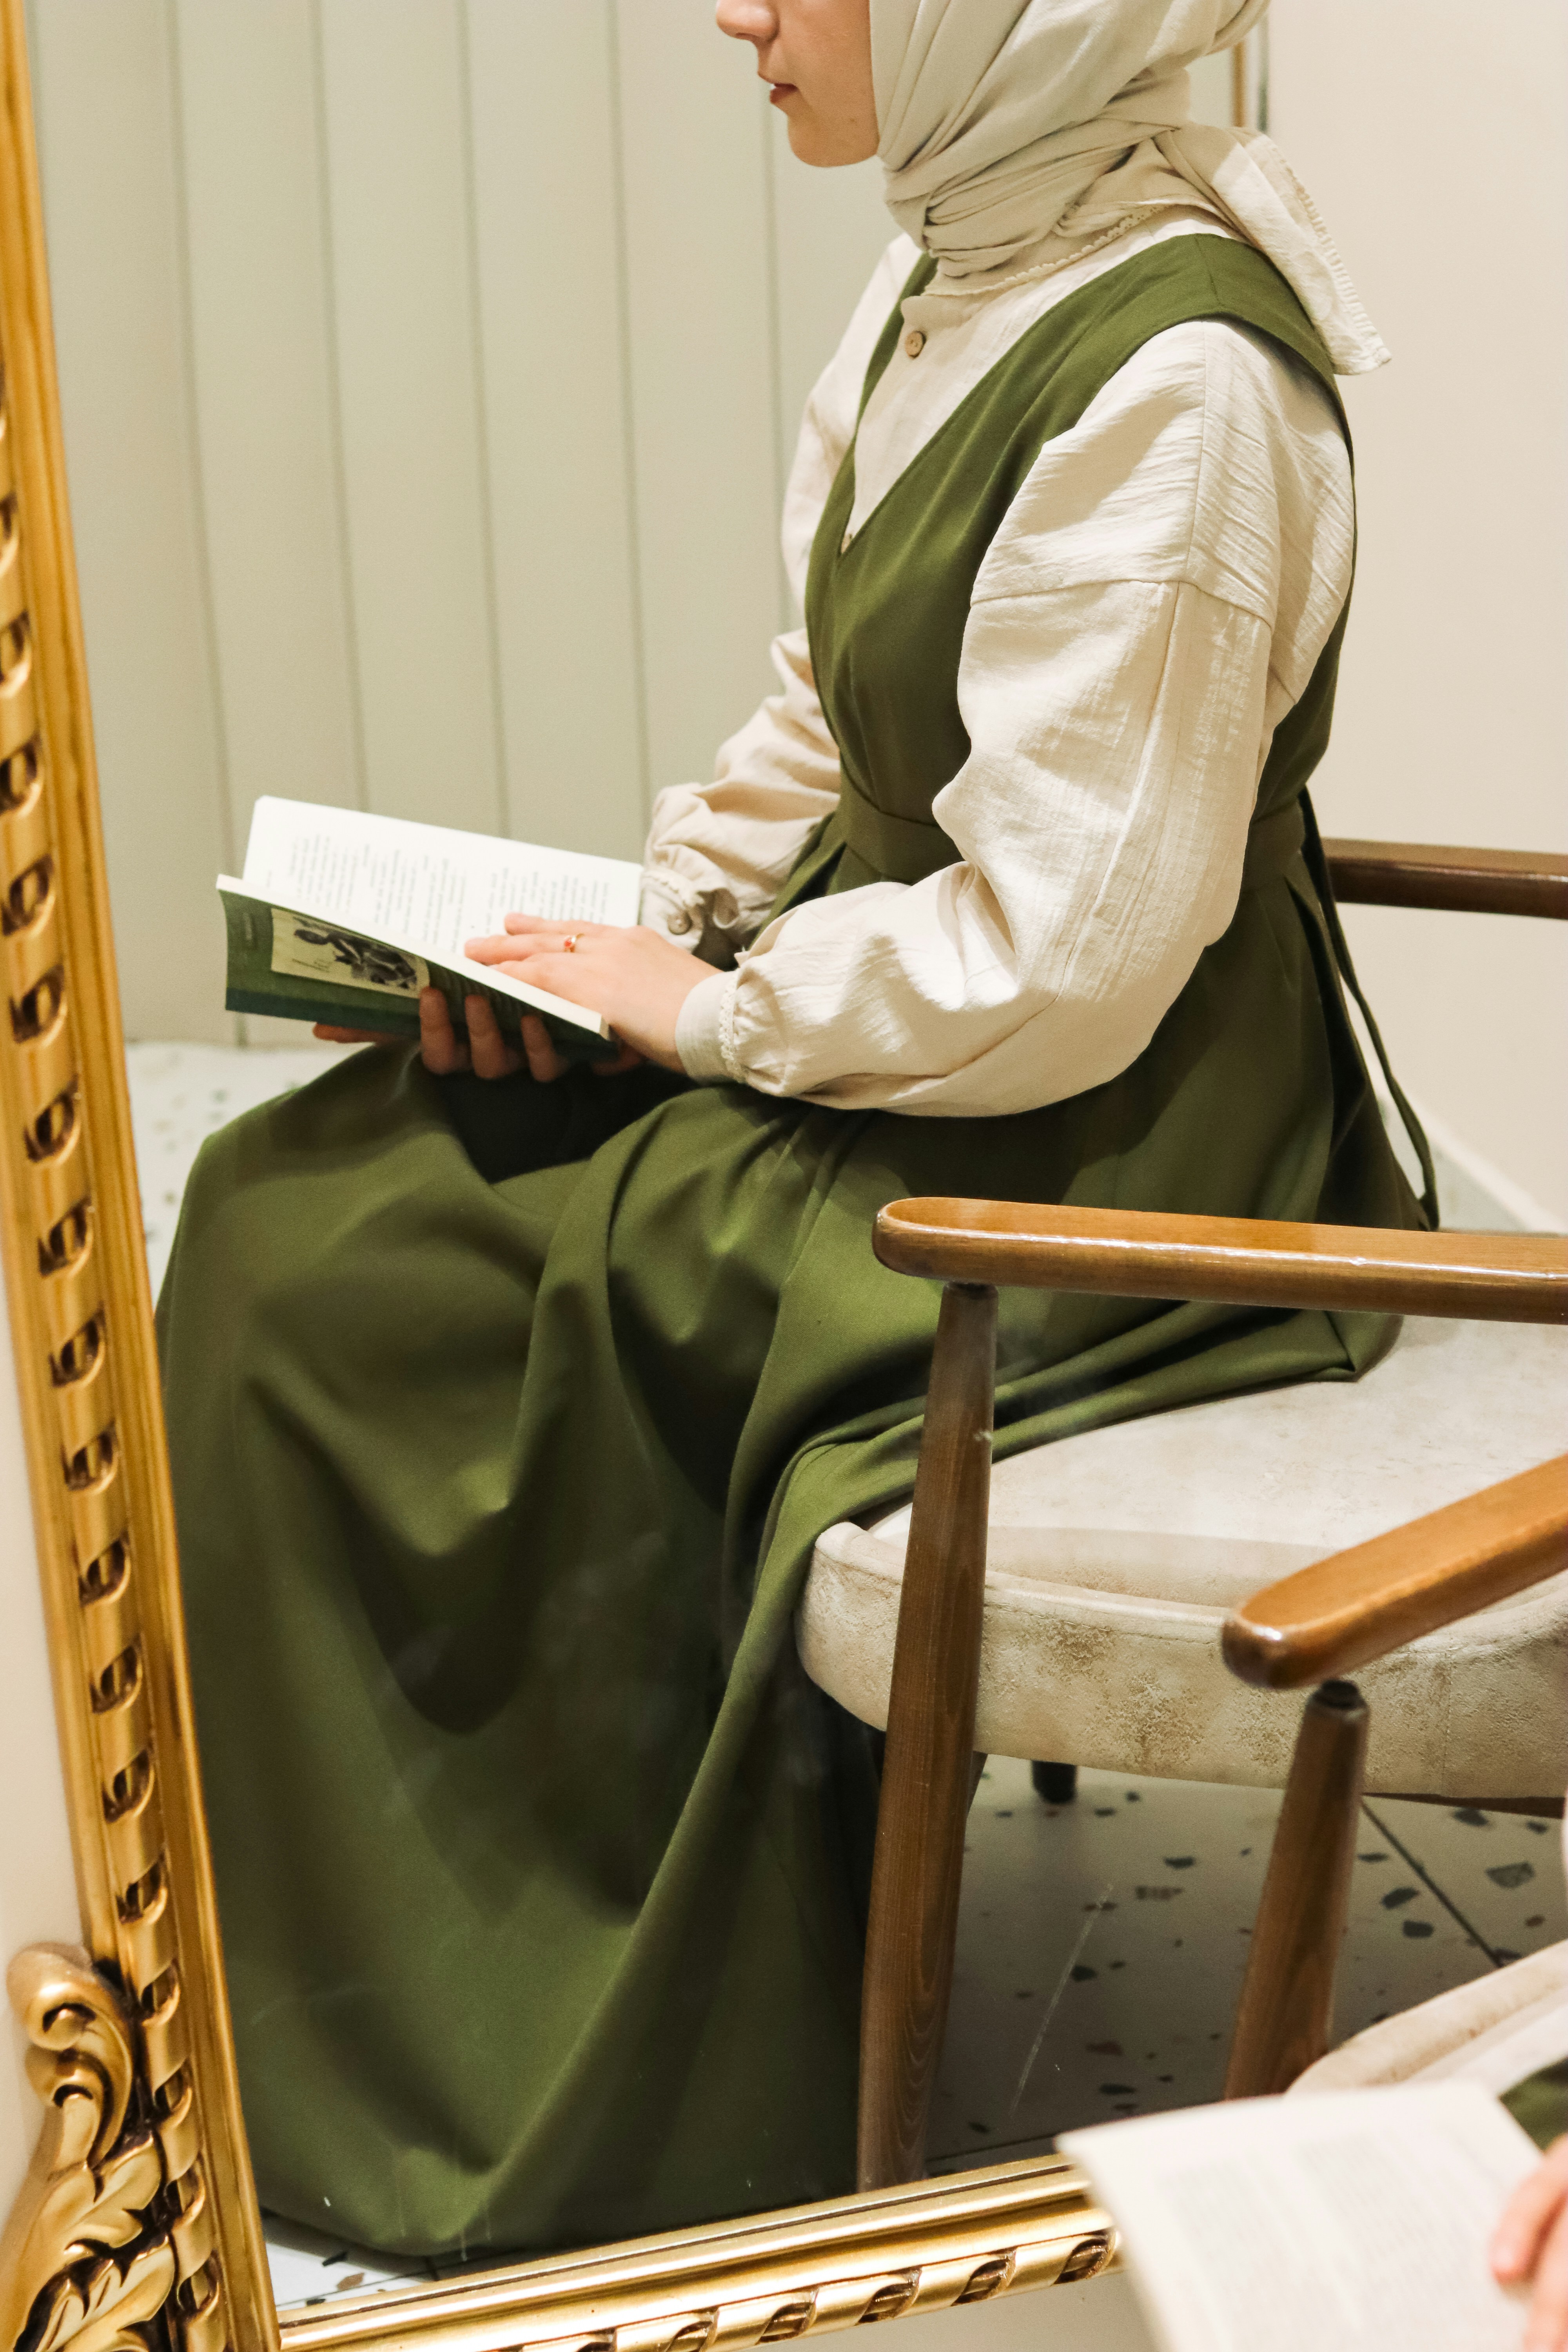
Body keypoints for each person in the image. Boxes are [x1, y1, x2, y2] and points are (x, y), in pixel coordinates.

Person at [158, 0, 1430, 2259]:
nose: (736, 11)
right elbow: (829, 709)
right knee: (280, 1192)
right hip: (914, 1007)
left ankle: (504, 2063)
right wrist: (636, 934)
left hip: (1111, 1131)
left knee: (395, 1289)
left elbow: (1070, 954)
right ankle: (300, 1990)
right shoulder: (964, 255)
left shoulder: (1186, 385)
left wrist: (722, 1010)